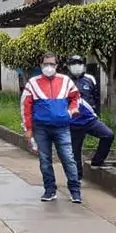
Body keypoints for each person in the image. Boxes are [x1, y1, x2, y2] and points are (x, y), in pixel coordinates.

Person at [21, 53, 83, 203]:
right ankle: (50, 190)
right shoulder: (33, 84)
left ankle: (75, 191)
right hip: (41, 128)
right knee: (45, 160)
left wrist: (70, 112)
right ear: (41, 65)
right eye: (46, 64)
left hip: (62, 127)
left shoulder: (66, 81)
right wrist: (28, 129)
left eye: (52, 64)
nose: (49, 67)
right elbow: (25, 107)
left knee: (68, 159)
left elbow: (76, 98)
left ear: (56, 66)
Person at [66, 55, 115, 180]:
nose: (76, 66)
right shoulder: (64, 81)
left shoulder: (90, 79)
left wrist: (98, 114)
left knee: (108, 135)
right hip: (73, 123)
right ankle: (77, 178)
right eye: (74, 63)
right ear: (69, 66)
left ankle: (97, 161)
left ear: (83, 65)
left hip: (90, 120)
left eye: (79, 63)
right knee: (75, 151)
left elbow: (96, 98)